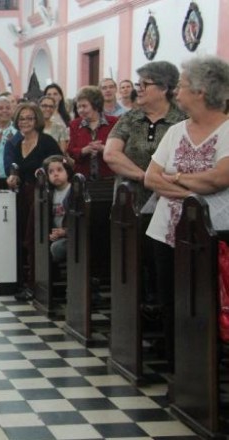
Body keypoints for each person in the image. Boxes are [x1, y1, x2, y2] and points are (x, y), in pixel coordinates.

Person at [145, 55, 229, 371]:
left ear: (201, 91)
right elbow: (151, 178)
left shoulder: (227, 130)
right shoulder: (176, 131)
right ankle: (179, 372)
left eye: (181, 86)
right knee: (172, 301)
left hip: (215, 233)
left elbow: (219, 178)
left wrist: (177, 177)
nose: (175, 92)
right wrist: (194, 192)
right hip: (166, 232)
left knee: (209, 303)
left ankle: (207, 373)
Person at [104, 61, 187, 208]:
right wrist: (147, 178)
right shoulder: (130, 118)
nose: (139, 89)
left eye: (145, 84)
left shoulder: (182, 120)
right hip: (129, 202)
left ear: (164, 88)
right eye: (138, 84)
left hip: (170, 201)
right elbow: (111, 154)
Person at [5, 103, 62, 299]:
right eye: (21, 118)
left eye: (29, 118)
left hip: (43, 197)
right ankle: (27, 282)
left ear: (36, 120)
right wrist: (13, 177)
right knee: (23, 239)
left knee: (33, 239)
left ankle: (36, 285)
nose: (25, 122)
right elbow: (14, 169)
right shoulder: (16, 143)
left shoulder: (47, 142)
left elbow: (59, 167)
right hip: (23, 196)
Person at [67, 86, 118, 181]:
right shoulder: (74, 124)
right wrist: (84, 150)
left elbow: (120, 150)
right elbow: (70, 150)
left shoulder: (114, 123)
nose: (81, 110)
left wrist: (103, 149)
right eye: (78, 107)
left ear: (95, 105)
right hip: (83, 178)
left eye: (84, 106)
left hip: (109, 177)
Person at [42, 155, 74, 263]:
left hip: (71, 236)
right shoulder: (49, 194)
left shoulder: (73, 191)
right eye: (51, 172)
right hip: (56, 235)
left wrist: (65, 232)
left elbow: (81, 222)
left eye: (59, 170)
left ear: (67, 172)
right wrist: (51, 234)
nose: (55, 174)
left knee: (57, 248)